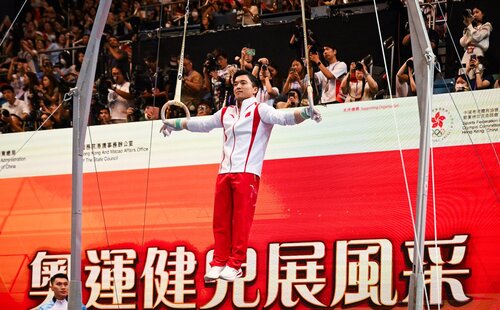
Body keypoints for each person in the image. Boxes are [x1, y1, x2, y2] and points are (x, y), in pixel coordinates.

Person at [160, 70, 322, 282]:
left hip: (247, 173)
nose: (237, 86)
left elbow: (284, 119)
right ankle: (218, 262)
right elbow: (203, 124)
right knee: (220, 221)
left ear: (255, 89)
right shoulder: (226, 112)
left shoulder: (261, 109)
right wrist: (175, 124)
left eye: (243, 83)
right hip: (224, 173)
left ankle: (235, 264)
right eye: (235, 83)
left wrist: (306, 113)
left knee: (240, 221)